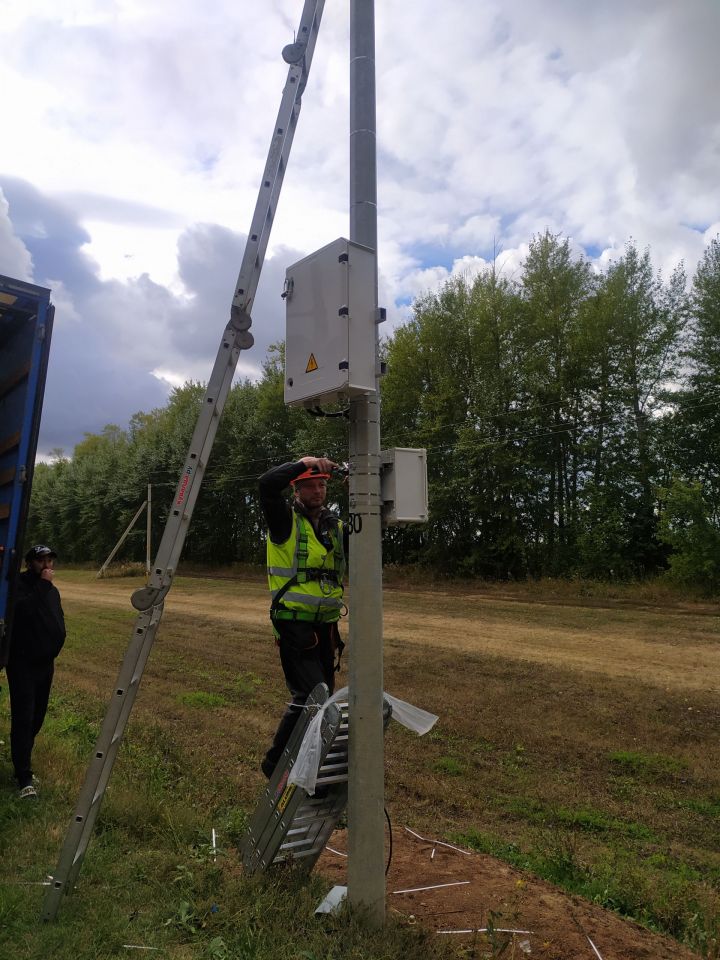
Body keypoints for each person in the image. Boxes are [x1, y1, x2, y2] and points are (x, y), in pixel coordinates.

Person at [258, 455, 346, 778]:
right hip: (294, 626)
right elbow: (266, 486)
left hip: (326, 628)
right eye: (310, 486)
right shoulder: (285, 521)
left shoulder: (334, 527)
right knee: (313, 697)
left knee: (320, 702)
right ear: (296, 489)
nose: (318, 491)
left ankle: (309, 769)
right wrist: (303, 463)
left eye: (321, 485)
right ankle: (274, 764)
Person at [6, 545, 66, 798]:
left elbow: (55, 618)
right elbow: (22, 613)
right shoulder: (19, 585)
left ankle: (23, 763)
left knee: (38, 717)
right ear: (30, 563)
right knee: (24, 717)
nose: (47, 564)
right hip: (22, 663)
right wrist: (42, 585)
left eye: (50, 559)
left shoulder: (52, 591)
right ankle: (23, 777)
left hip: (45, 664)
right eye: (41, 560)